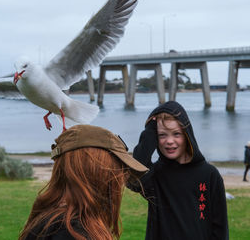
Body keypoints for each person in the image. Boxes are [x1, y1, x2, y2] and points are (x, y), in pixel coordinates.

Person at [19, 124, 148, 240]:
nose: (120, 183)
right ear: (96, 173)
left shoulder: (56, 221)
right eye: (115, 174)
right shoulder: (69, 231)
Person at [127, 101, 229, 240]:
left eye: (176, 134)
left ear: (187, 135)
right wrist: (151, 129)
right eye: (162, 135)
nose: (169, 141)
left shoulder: (209, 174)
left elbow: (220, 227)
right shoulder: (155, 174)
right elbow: (134, 176)